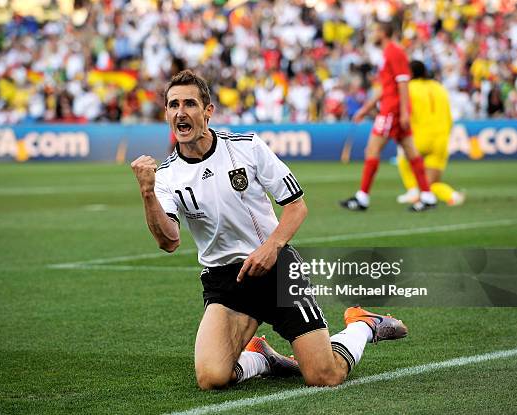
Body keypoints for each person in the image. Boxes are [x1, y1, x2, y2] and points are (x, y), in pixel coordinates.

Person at [131, 69, 407, 390]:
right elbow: (169, 242)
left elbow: (296, 205)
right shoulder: (165, 177)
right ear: (166, 112)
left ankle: (362, 325)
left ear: (208, 111)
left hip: (277, 270)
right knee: (211, 378)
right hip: (226, 282)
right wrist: (148, 193)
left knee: (324, 376)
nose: (181, 112)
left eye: (190, 104)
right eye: (173, 104)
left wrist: (272, 246)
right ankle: (262, 358)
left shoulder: (247, 145)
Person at [340, 22, 436, 212]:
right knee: (411, 151)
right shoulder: (388, 53)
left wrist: (404, 112)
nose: (373, 34)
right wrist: (366, 108)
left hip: (392, 110)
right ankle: (427, 196)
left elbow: (403, 83)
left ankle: (362, 198)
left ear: (383, 33)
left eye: (375, 31)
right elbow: (386, 87)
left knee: (372, 150)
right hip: (393, 108)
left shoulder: (394, 52)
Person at [396, 60, 465, 207]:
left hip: (419, 137)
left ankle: (413, 191)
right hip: (441, 139)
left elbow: (405, 112)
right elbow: (449, 116)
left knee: (403, 159)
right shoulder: (439, 87)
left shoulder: (408, 88)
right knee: (431, 183)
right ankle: (452, 195)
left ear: (411, 73)